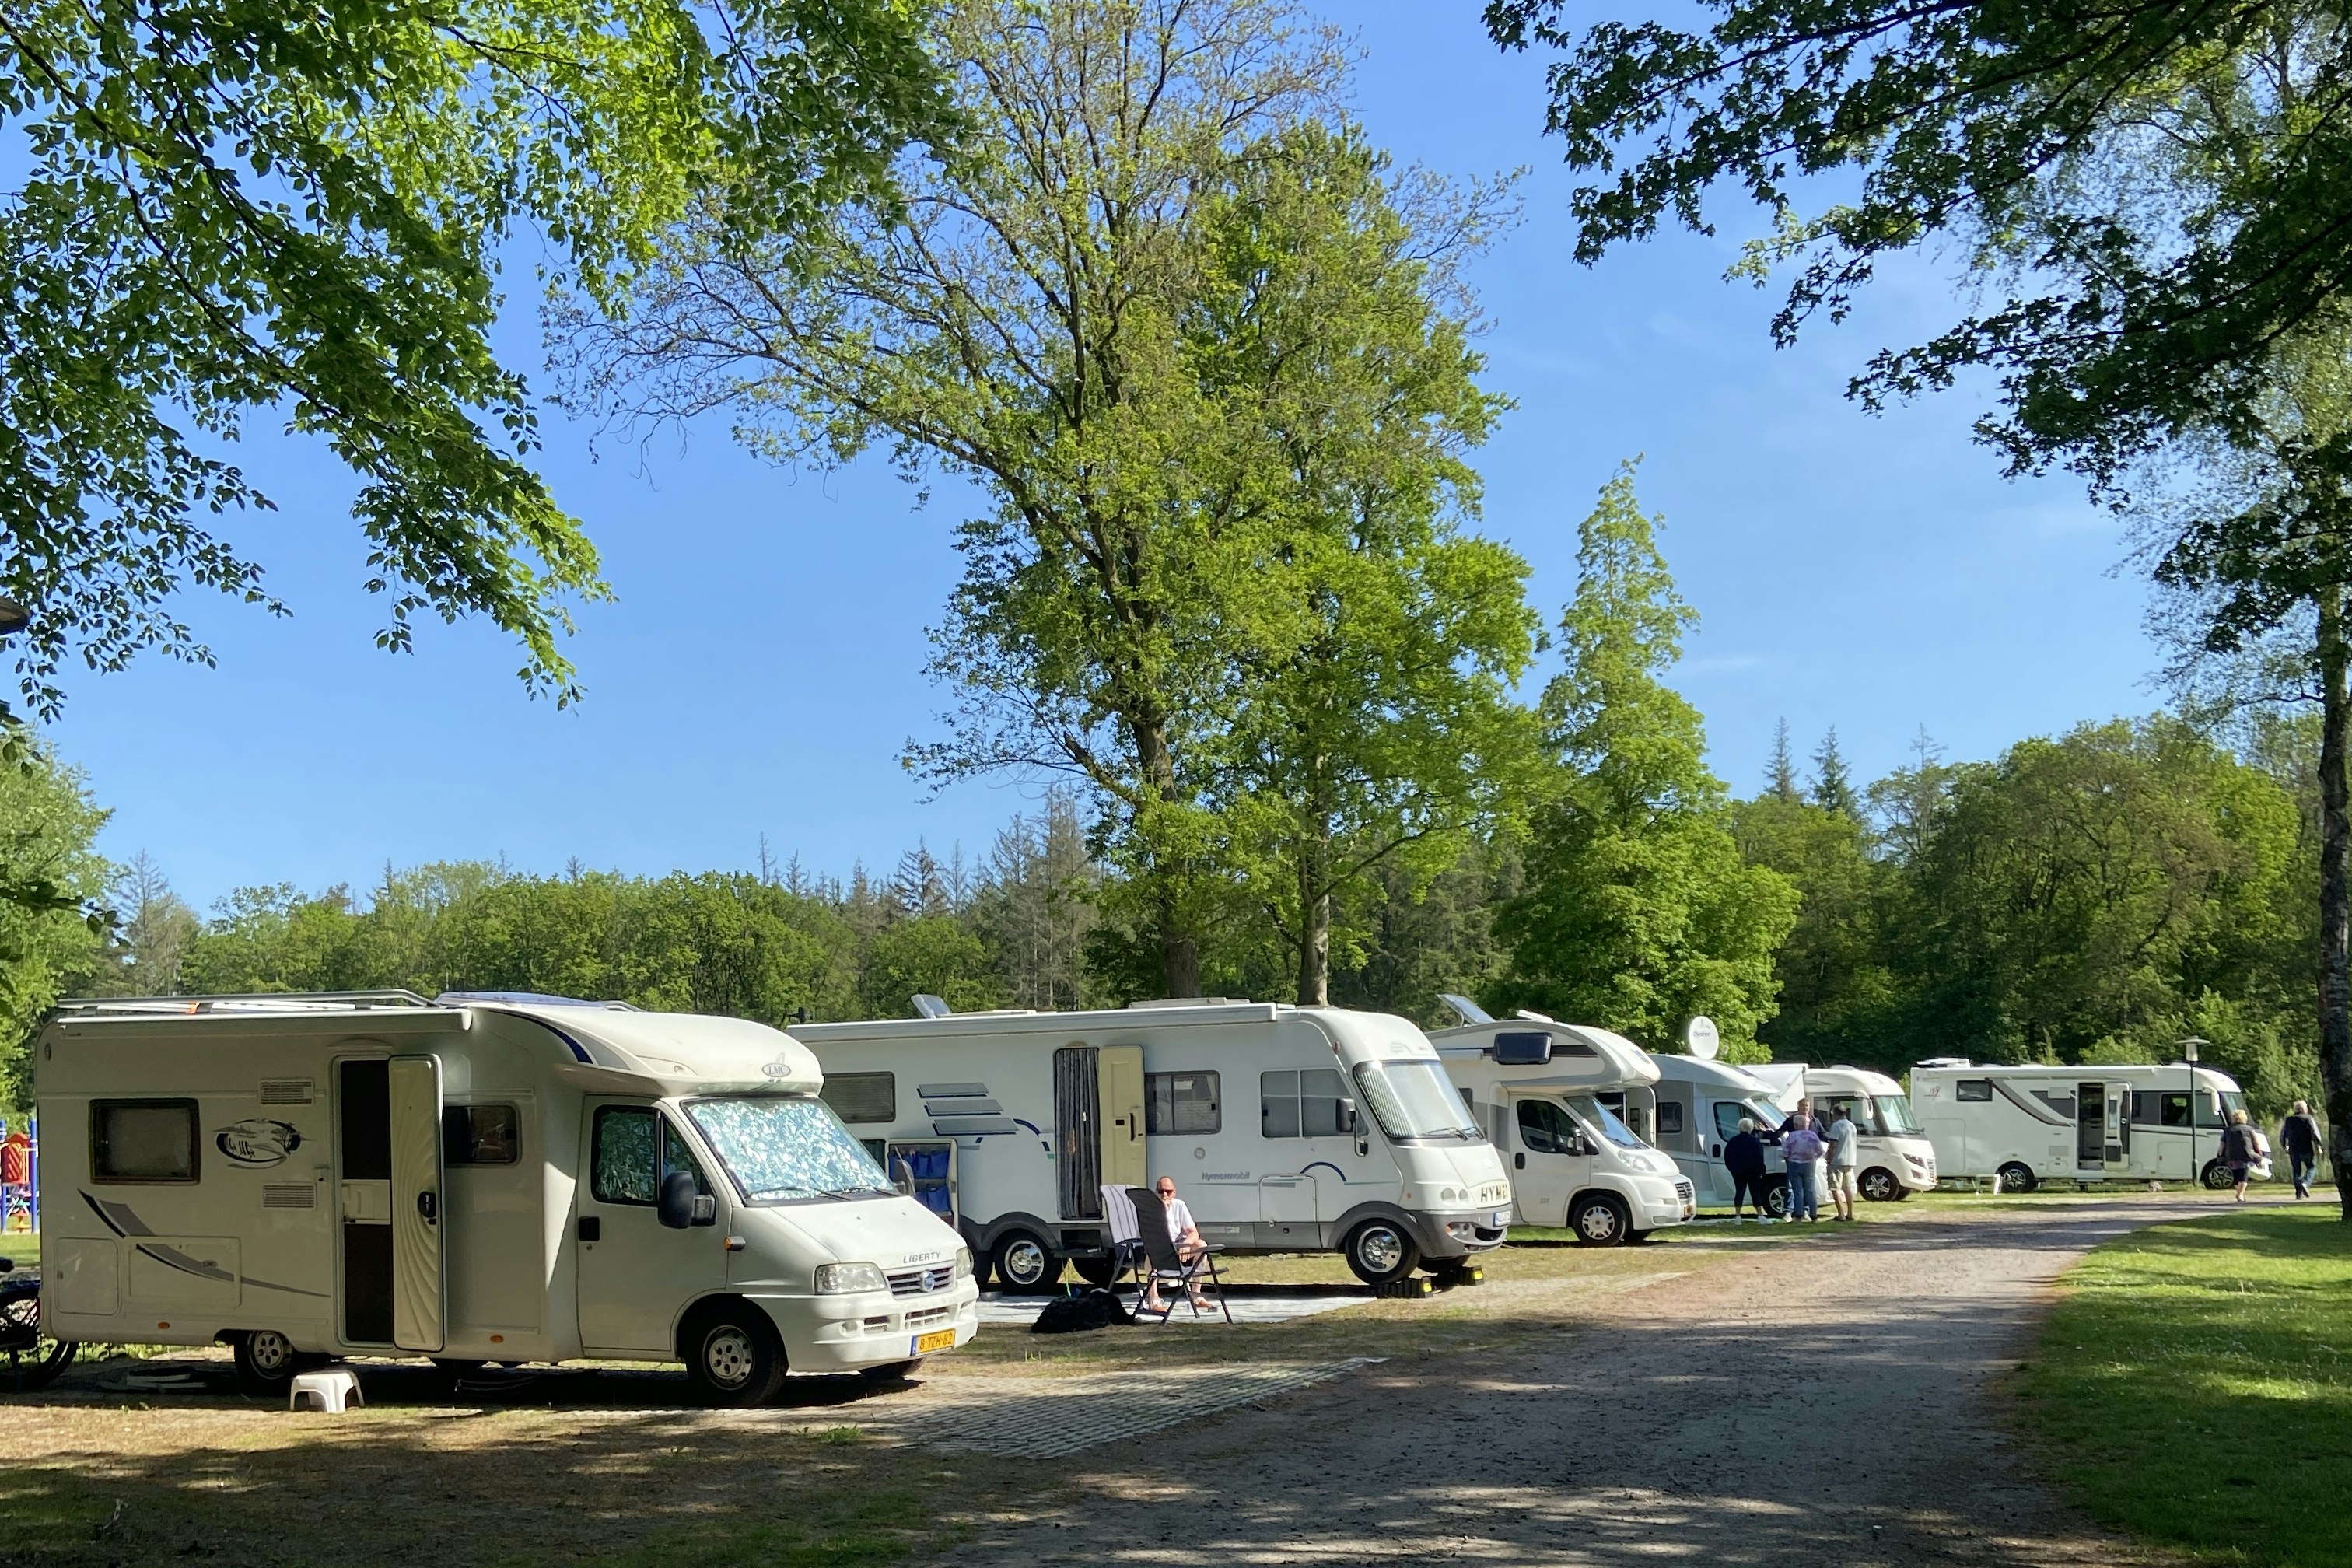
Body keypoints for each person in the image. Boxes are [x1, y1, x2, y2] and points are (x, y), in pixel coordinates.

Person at [1141, 1175, 1209, 1313]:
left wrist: (1187, 1243)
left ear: (1174, 1192)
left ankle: (1196, 1296)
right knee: (1151, 1252)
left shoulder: (1179, 1205)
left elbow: (1193, 1232)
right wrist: (1161, 1212)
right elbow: (1152, 1235)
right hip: (1156, 1247)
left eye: (1168, 1191)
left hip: (1177, 1246)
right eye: (1161, 1191)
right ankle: (1154, 1299)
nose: (1165, 1195)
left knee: (1201, 1244)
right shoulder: (1150, 1208)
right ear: (1156, 1192)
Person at [1781, 1113, 1825, 1223]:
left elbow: (1785, 1152)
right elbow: (1820, 1151)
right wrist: (1814, 1158)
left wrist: (1789, 1160)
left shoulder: (1791, 1136)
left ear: (1796, 1125)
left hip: (1794, 1164)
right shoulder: (1813, 1136)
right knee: (1810, 1189)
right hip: (1809, 1164)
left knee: (1797, 1190)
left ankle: (1799, 1215)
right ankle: (1814, 1215)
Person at [1725, 1116, 1769, 1221]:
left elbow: (1727, 1157)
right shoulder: (1755, 1141)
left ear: (1739, 1128)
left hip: (1738, 1172)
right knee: (1755, 1192)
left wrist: (1732, 1169)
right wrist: (1762, 1170)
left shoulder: (1732, 1141)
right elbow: (1759, 1157)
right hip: (1753, 1171)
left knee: (1739, 1191)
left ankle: (1738, 1216)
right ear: (1751, 1128)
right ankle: (1760, 1215)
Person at [2281, 1100, 2324, 1200]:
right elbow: (2315, 1133)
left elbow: (2283, 1135)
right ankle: (2306, 1183)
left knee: (2296, 1171)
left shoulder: (2289, 1120)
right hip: (2306, 1148)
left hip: (2294, 1149)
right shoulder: (2308, 1118)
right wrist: (2318, 1146)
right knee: (2312, 1168)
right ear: (2304, 1109)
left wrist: (2285, 1146)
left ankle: (2298, 1193)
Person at [1825, 1104, 1860, 1221]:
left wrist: (1829, 1157)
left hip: (1837, 1160)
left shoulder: (1836, 1126)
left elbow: (1833, 1144)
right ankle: (1850, 1213)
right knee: (1847, 1188)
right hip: (1850, 1160)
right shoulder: (1851, 1126)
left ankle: (1841, 1214)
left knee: (1835, 1188)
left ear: (1834, 1113)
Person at [2219, 1110, 2261, 1203]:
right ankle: (2240, 1194)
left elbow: (2222, 1144)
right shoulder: (2249, 1129)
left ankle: (2239, 1193)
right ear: (2244, 1118)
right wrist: (2259, 1154)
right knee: (2243, 1175)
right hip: (2245, 1155)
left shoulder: (2228, 1130)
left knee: (2236, 1175)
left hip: (2231, 1156)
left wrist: (2220, 1154)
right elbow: (2256, 1143)